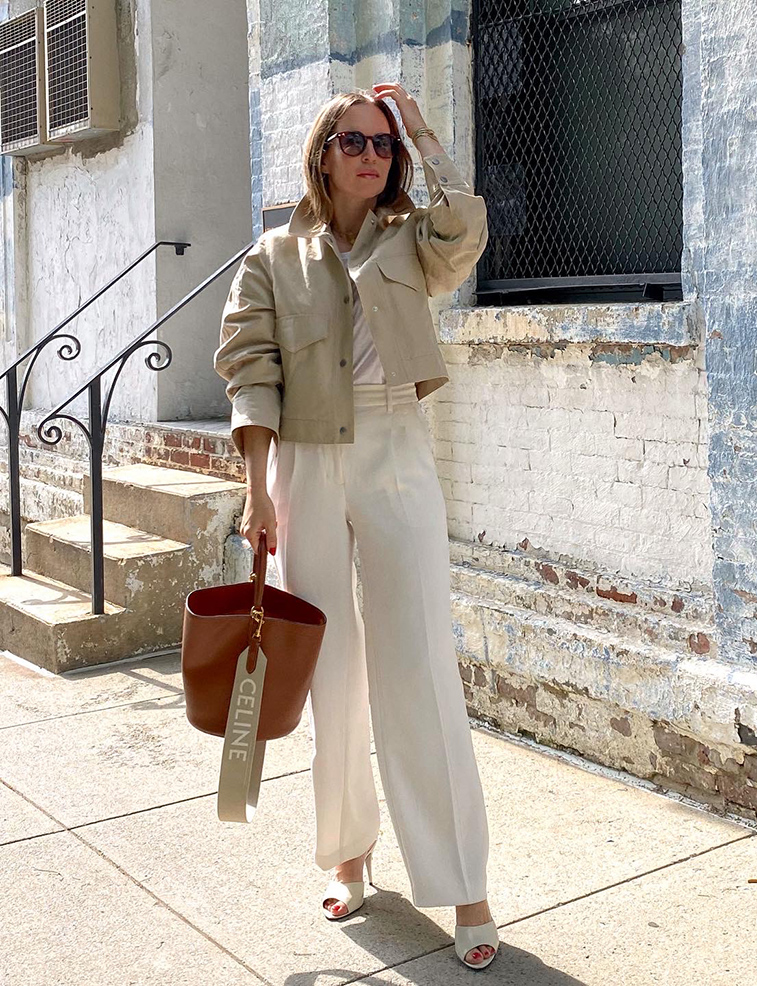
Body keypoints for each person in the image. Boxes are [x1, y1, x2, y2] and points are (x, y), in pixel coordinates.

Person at [213, 82, 499, 969]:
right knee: (329, 667)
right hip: (302, 457)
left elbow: (465, 230)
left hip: (395, 449)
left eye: (384, 144)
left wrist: (421, 125)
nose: (372, 156)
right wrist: (258, 491)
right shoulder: (272, 255)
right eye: (356, 142)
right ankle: (349, 848)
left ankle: (463, 886)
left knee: (417, 663)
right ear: (323, 152)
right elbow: (250, 370)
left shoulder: (415, 240)